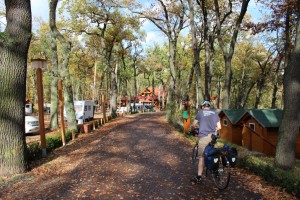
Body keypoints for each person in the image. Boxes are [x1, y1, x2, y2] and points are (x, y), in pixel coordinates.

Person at [190, 100, 221, 183]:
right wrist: (213, 130)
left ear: (203, 106)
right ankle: (216, 172)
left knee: (202, 157)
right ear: (209, 107)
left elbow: (193, 125)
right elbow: (219, 127)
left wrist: (191, 130)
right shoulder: (215, 113)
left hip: (203, 137)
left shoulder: (201, 112)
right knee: (214, 154)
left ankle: (199, 177)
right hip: (213, 137)